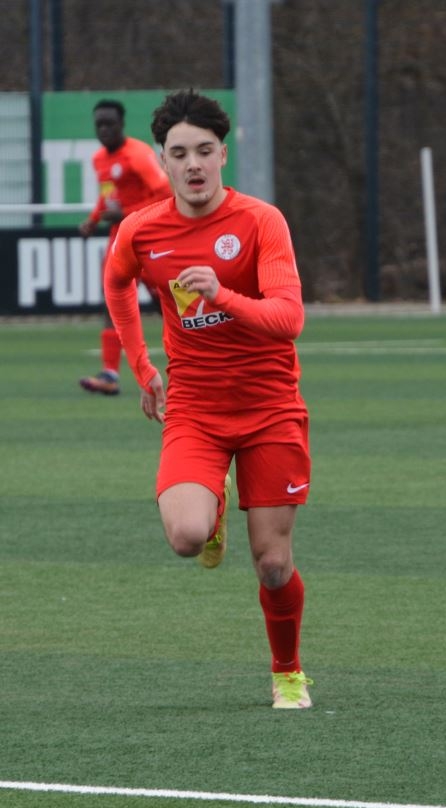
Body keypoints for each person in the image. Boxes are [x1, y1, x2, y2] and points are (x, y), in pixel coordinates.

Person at [103, 89, 314, 710]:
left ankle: (287, 672)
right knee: (187, 537)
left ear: (223, 154)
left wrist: (222, 295)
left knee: (272, 564)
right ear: (162, 162)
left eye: (203, 150)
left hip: (271, 407)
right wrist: (143, 367)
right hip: (195, 407)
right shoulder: (141, 230)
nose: (192, 164)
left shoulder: (261, 221)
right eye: (178, 154)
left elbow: (289, 319)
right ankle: (212, 502)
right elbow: (116, 286)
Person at [79, 99, 170, 396]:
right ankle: (110, 374)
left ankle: (199, 359)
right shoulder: (99, 159)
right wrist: (93, 220)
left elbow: (166, 194)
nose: (104, 129)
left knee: (169, 301)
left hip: (149, 236)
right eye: (99, 124)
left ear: (121, 124)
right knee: (112, 299)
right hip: (120, 238)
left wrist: (127, 212)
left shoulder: (138, 155)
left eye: (109, 124)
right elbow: (108, 195)